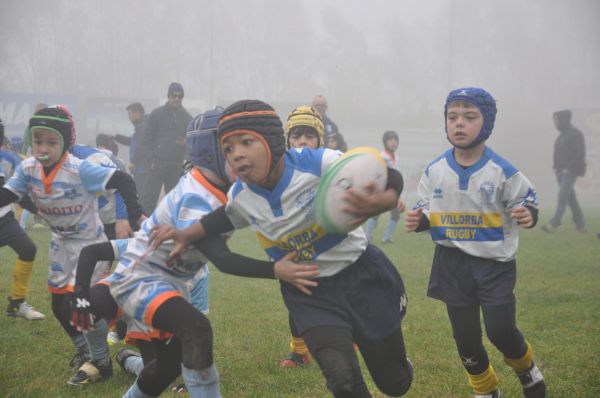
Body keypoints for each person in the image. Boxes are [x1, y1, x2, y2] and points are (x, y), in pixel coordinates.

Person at [150, 99, 413, 397]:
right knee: (343, 381)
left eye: (246, 142)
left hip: (361, 275)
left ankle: (397, 366)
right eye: (228, 149)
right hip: (311, 294)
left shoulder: (317, 162)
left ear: (273, 141)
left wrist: (388, 197)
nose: (236, 155)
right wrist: (186, 234)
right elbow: (220, 219)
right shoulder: (241, 194)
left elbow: (385, 174)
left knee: (395, 383)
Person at [70, 106, 318, 398]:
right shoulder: (196, 196)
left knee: (167, 367)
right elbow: (222, 260)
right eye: (231, 146)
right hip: (141, 280)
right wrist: (276, 270)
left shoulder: (228, 186)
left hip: (171, 283)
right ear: (210, 151)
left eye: (246, 143)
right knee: (198, 330)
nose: (242, 154)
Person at [405, 88, 546, 398]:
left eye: (469, 117)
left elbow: (528, 198)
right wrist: (420, 221)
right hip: (451, 263)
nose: (459, 124)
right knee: (466, 338)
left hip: (494, 264)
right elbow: (426, 208)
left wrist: (528, 213)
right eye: (452, 117)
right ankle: (485, 389)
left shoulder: (502, 171)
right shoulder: (435, 170)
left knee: (500, 331)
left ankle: (526, 369)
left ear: (486, 123)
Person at [0, 106, 144, 386]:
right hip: (61, 246)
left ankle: (101, 360)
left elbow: (124, 180)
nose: (43, 148)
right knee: (59, 306)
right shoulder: (28, 168)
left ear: (66, 141)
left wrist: (133, 215)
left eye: (51, 142)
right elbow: (9, 193)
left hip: (90, 244)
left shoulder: (82, 167)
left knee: (83, 303)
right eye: (38, 141)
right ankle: (87, 351)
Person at [278, 105, 326, 368]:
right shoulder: (279, 168)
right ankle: (298, 352)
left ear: (319, 139)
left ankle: (350, 332)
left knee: (338, 294)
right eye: (297, 136)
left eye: (309, 135)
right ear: (288, 139)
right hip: (294, 245)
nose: (303, 141)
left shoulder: (330, 165)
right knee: (296, 297)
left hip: (330, 245)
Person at [0, 118, 45, 320]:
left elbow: (15, 191)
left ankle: (17, 303)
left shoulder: (7, 160)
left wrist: (36, 209)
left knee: (28, 249)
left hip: (4, 219)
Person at [140, 82, 193, 214]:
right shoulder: (156, 114)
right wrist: (150, 160)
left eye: (180, 97)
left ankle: (171, 231)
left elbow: (192, 142)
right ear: (168, 96)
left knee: (174, 202)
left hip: (176, 166)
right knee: (148, 201)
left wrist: (185, 143)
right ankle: (145, 229)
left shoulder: (188, 118)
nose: (177, 99)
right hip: (156, 164)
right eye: (174, 95)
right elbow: (147, 139)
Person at [541, 109, 587, 234]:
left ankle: (554, 223)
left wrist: (569, 168)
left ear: (564, 120)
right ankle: (581, 225)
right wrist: (556, 168)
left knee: (562, 196)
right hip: (560, 172)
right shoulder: (561, 136)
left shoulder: (576, 134)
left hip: (570, 171)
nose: (555, 123)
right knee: (570, 198)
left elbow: (580, 153)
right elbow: (558, 155)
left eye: (557, 120)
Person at [364, 130, 406, 243]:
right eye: (390, 140)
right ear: (385, 142)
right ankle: (367, 237)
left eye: (395, 140)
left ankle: (387, 238)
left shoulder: (397, 158)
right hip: (382, 191)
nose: (393, 142)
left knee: (396, 214)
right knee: (375, 214)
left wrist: (398, 193)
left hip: (392, 192)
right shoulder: (381, 156)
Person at [114, 102, 149, 196]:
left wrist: (133, 162)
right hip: (140, 169)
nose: (129, 117)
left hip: (143, 170)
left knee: (143, 197)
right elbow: (132, 141)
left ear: (137, 113)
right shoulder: (140, 128)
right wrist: (115, 137)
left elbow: (143, 147)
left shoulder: (143, 128)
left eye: (130, 114)